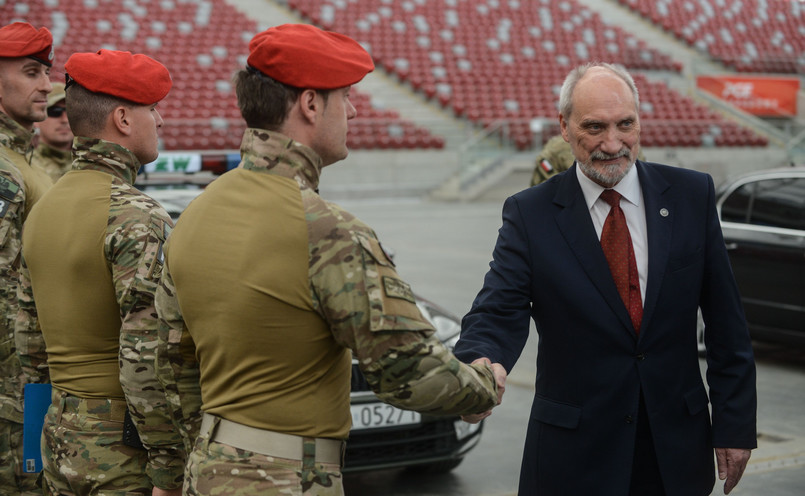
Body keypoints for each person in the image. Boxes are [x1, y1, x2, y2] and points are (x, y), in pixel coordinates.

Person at [154, 23, 504, 495]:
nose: (354, 111)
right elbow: (407, 371)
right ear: (310, 104)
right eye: (346, 96)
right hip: (286, 478)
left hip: (206, 470)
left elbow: (168, 365)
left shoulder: (193, 217)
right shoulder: (327, 230)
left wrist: (178, 468)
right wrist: (483, 384)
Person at [454, 62, 757, 496]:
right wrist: (478, 363)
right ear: (564, 126)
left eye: (625, 124)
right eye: (594, 127)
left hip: (675, 452)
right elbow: (498, 310)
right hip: (573, 457)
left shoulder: (692, 195)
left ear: (640, 121)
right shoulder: (530, 213)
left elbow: (727, 324)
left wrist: (735, 424)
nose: (612, 144)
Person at [15, 49, 183, 495]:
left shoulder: (43, 207)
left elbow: (29, 342)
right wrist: (169, 464)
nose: (160, 121)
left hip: (59, 434)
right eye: (152, 109)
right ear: (123, 119)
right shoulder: (136, 215)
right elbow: (147, 353)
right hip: (123, 445)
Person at [0, 20, 54, 494]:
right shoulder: (4, 171)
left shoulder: (21, 160)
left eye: (46, 72)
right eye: (32, 72)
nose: (47, 85)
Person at [33, 82, 73, 182]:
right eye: (55, 112)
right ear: (37, 118)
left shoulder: (89, 161)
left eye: (70, 111)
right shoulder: (29, 163)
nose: (65, 120)